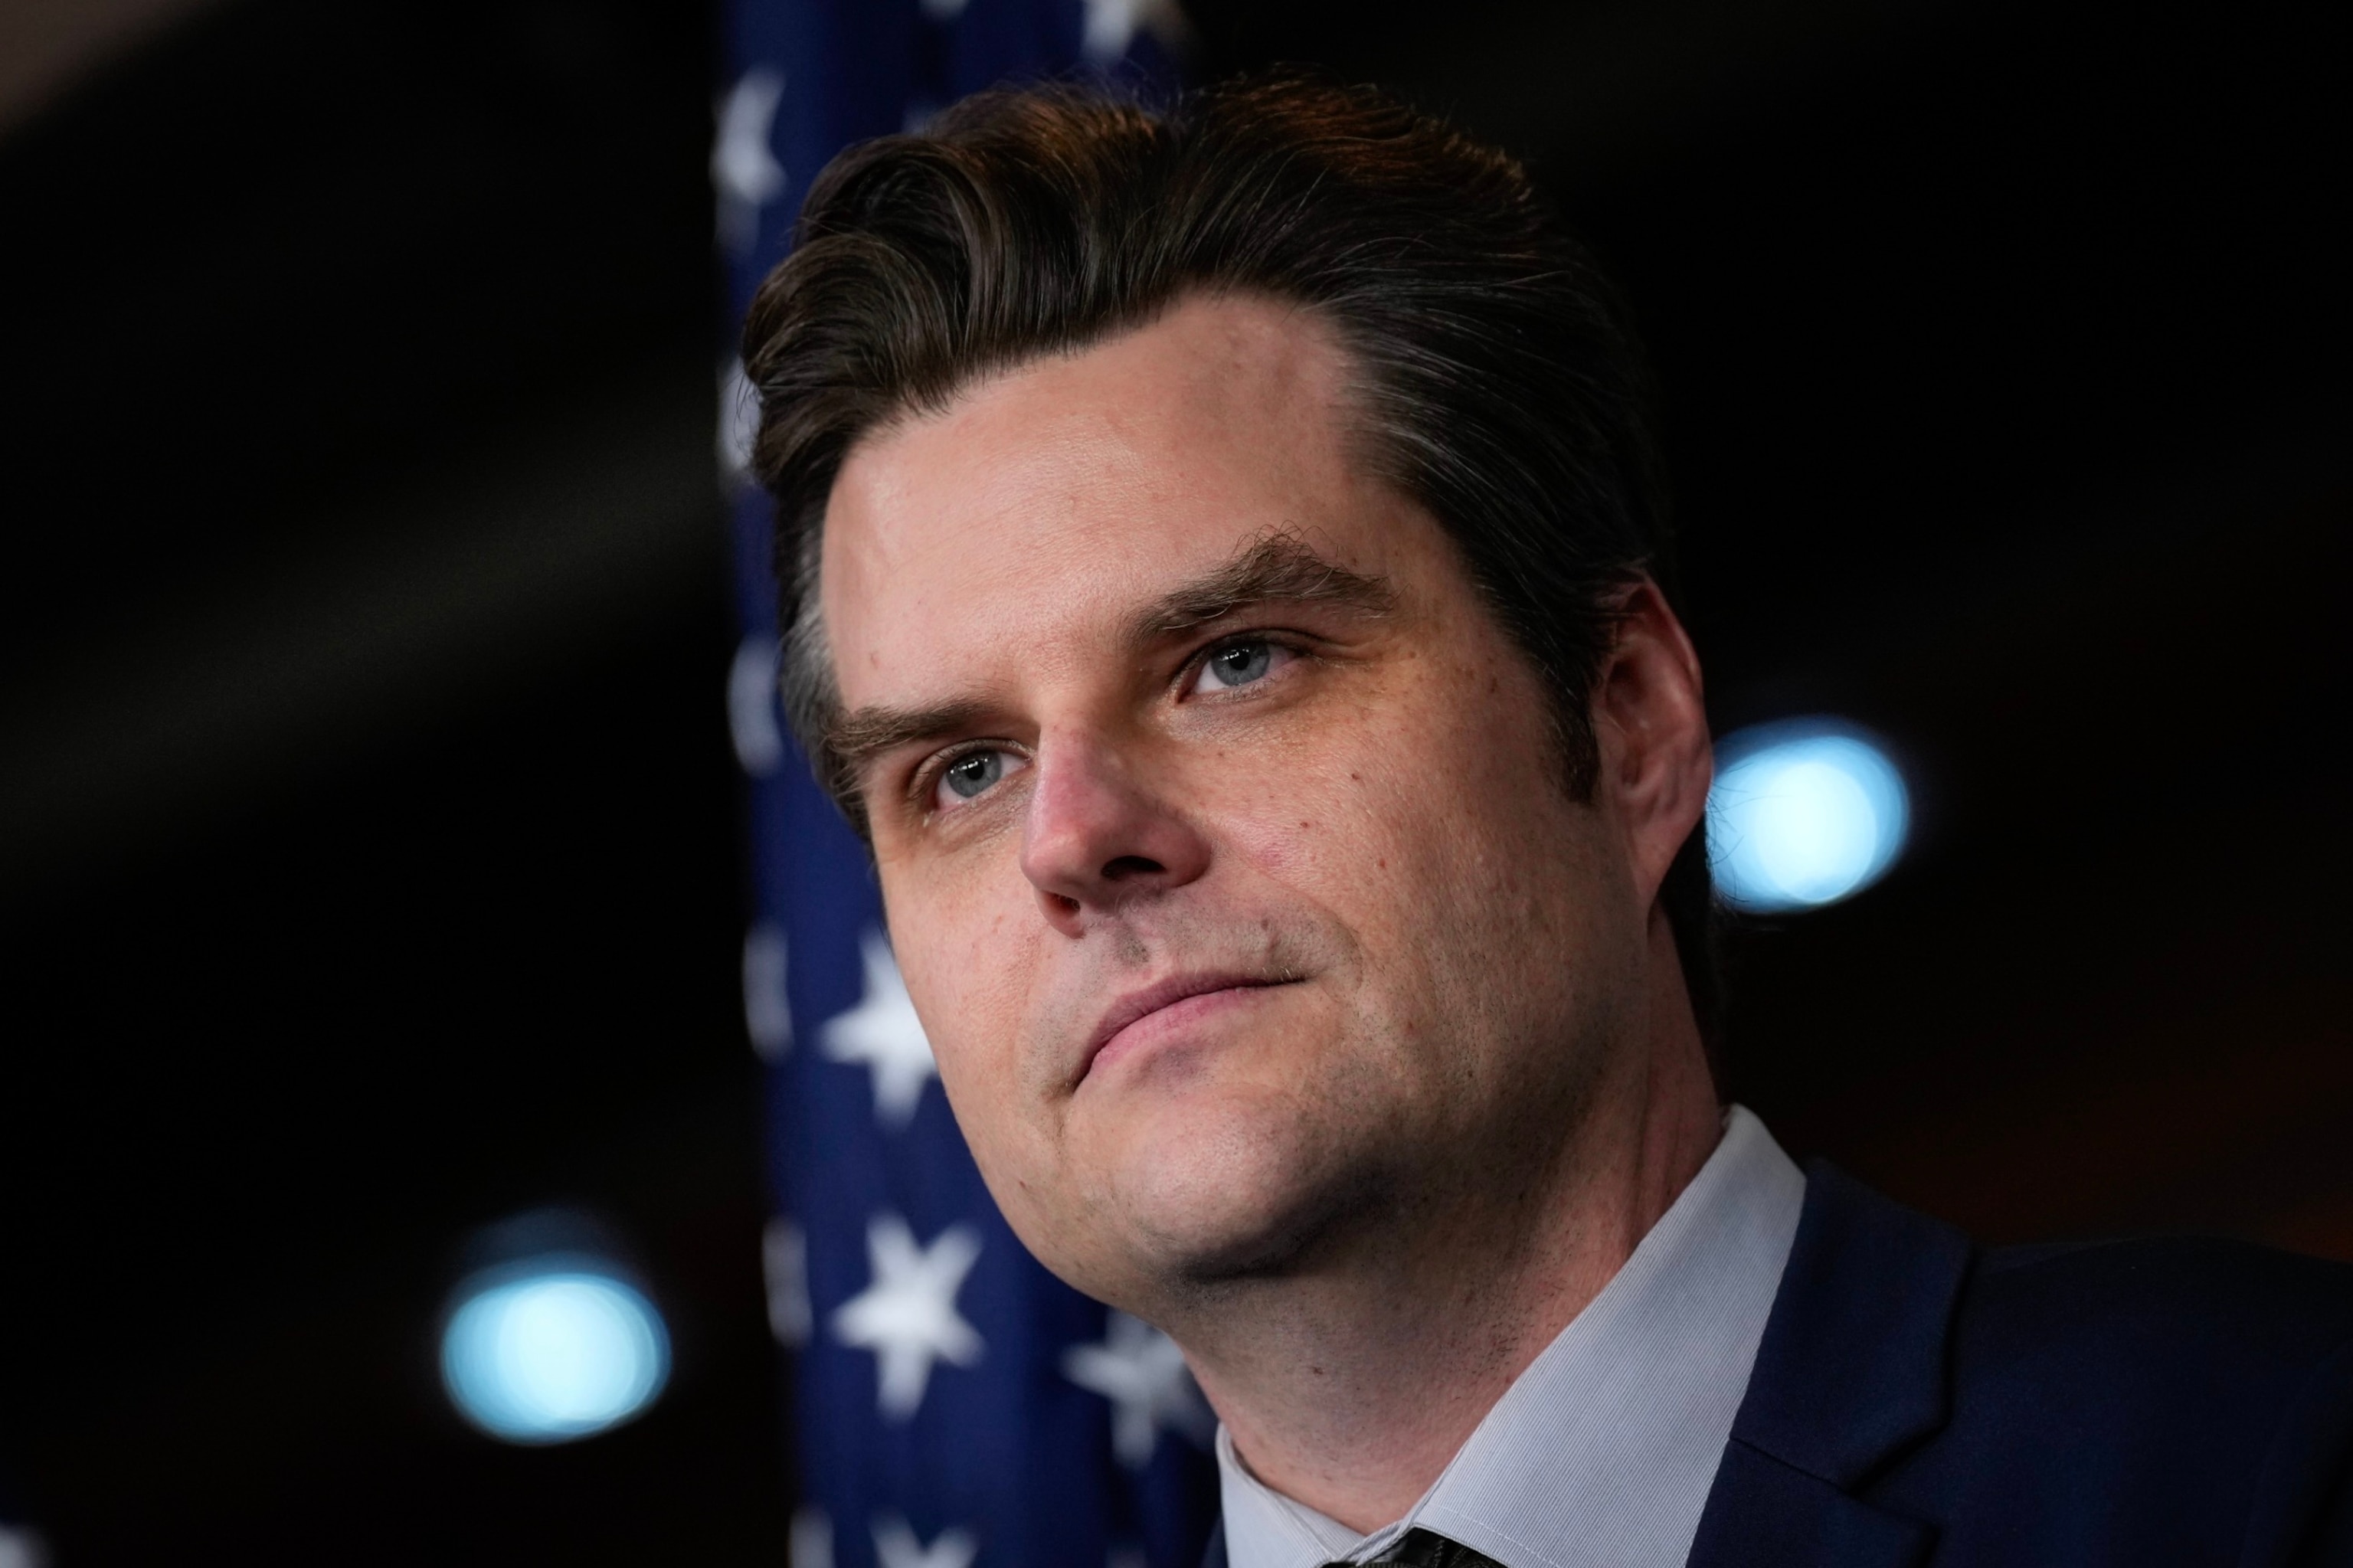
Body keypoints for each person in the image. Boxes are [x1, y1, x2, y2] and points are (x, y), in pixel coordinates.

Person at [738, 76, 2353, 1568]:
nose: (1073, 837)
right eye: (962, 770)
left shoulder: (2262, 1467)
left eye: (1235, 661)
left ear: (1631, 717)